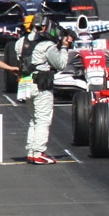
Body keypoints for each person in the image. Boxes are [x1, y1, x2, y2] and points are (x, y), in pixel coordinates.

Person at [14, 16, 73, 164]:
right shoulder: (47, 45)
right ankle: (38, 152)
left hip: (25, 83)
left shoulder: (20, 42)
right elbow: (61, 64)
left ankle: (31, 151)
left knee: (33, 119)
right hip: (41, 84)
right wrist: (64, 47)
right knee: (43, 119)